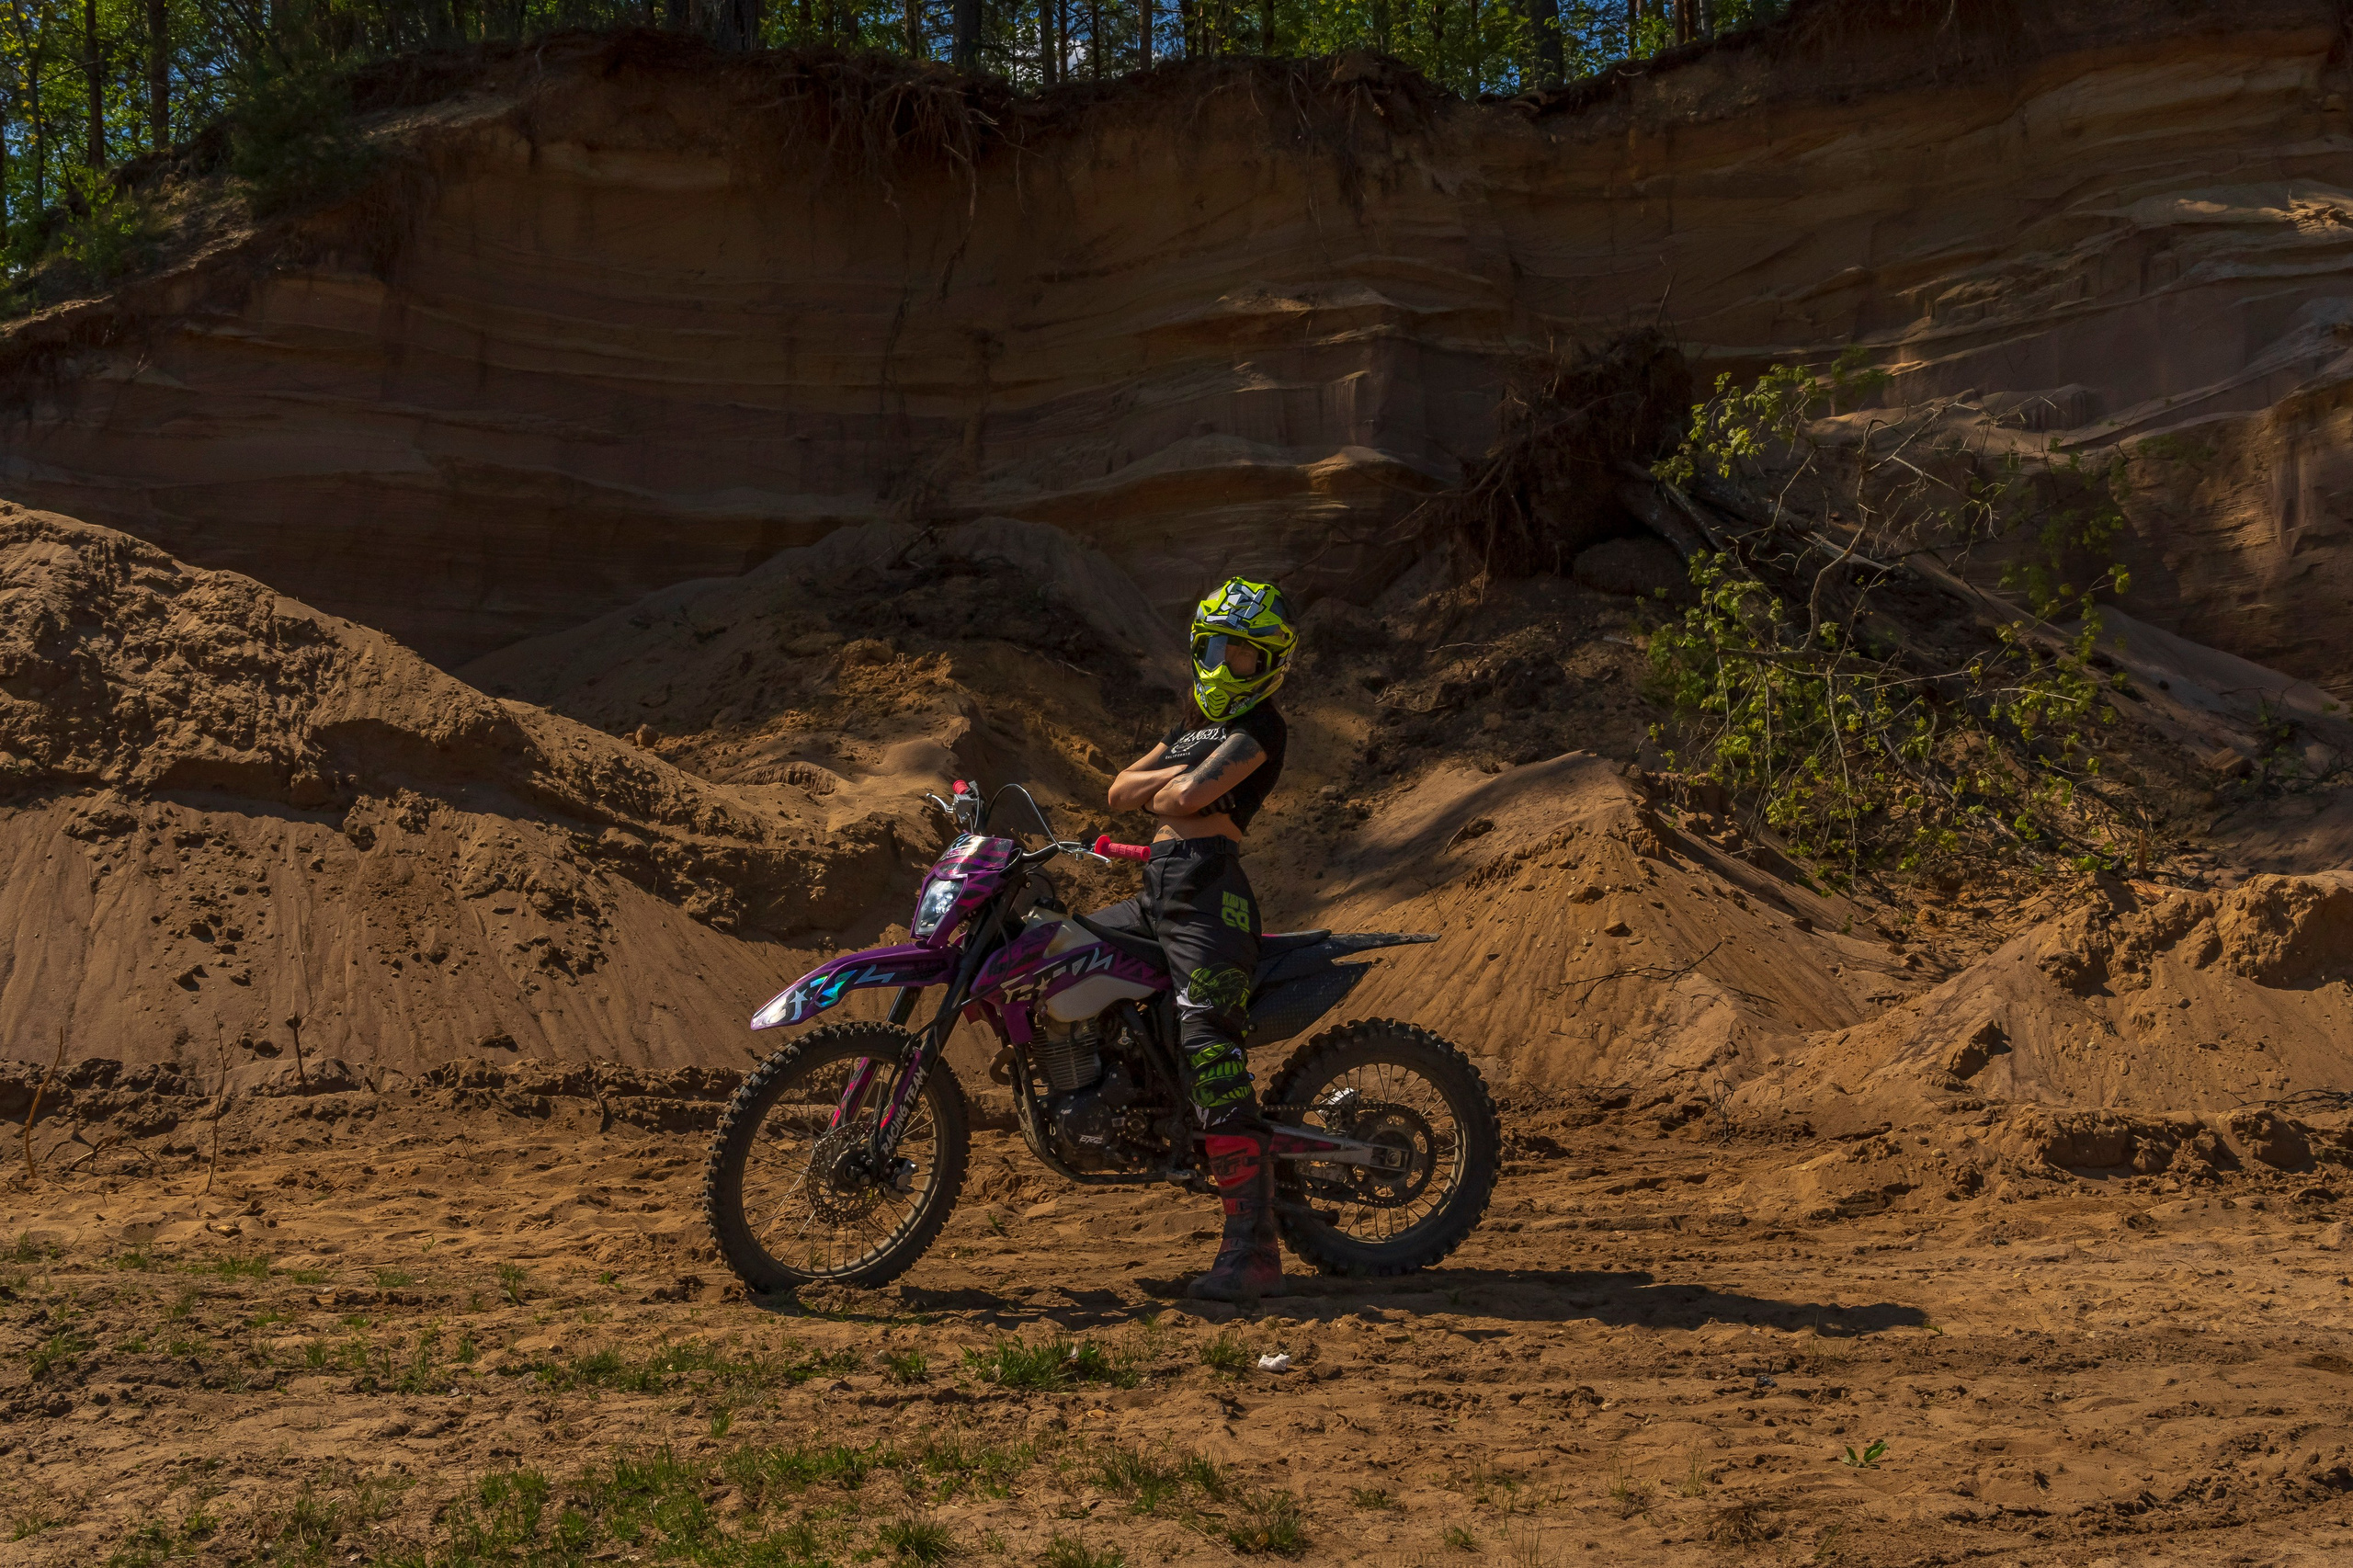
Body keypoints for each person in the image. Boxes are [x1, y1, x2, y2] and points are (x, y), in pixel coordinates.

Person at [1097, 577, 1295, 1301]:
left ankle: (1255, 1252)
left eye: (1240, 653)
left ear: (1267, 662)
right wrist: (1175, 777)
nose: (1223, 662)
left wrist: (1168, 784)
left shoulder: (1263, 727)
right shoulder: (1195, 726)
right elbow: (1118, 792)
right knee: (1060, 950)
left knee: (1210, 1044)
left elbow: (1178, 799)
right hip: (1159, 889)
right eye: (1215, 647)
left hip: (1211, 893)